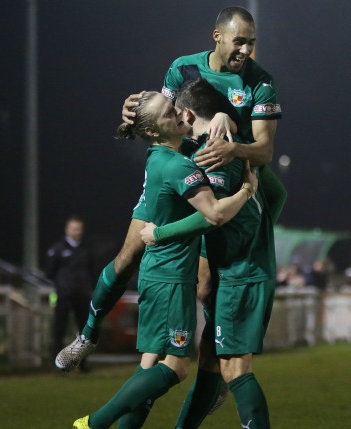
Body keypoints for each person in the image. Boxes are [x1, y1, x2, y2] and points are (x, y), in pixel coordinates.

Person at [56, 5, 285, 373]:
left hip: (213, 183)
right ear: (218, 37)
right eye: (239, 42)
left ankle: (210, 375)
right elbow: (161, 113)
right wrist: (132, 114)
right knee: (127, 257)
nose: (245, 50)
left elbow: (265, 151)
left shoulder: (260, 82)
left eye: (251, 43)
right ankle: (88, 335)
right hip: (172, 173)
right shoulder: (183, 69)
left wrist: (233, 146)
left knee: (206, 286)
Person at [72, 90, 258, 429]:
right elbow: (214, 214)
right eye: (169, 113)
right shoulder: (176, 165)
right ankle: (94, 423)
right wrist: (247, 190)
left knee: (149, 365)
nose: (179, 114)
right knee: (175, 368)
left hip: (158, 274)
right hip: (171, 279)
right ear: (155, 131)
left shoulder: (160, 157)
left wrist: (223, 117)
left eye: (174, 107)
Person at [139, 77, 279, 429]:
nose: (173, 123)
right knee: (211, 363)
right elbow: (278, 195)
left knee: (234, 369)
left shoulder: (213, 153)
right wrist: (258, 234)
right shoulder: (237, 144)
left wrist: (158, 233)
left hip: (239, 274)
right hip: (245, 268)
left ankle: (99, 421)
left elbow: (211, 216)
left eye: (173, 114)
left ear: (186, 114)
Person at [45, 216, 95, 371]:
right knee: (59, 330)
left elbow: (92, 271)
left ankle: (83, 365)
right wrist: (62, 286)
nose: (77, 231)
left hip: (82, 295)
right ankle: (57, 365)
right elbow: (49, 272)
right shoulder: (57, 249)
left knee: (84, 333)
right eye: (74, 228)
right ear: (67, 230)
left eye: (79, 228)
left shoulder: (86, 249)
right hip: (64, 296)